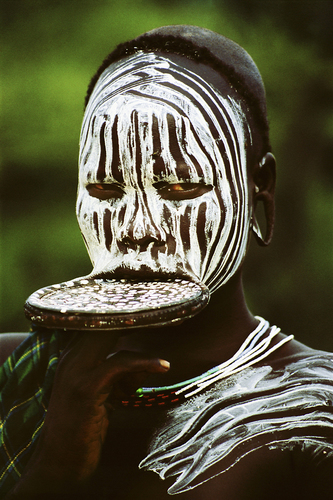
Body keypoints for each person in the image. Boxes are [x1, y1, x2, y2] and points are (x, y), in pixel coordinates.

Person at [1, 25, 333, 499]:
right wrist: (52, 472)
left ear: (261, 189)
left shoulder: (313, 414)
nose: (139, 228)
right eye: (105, 189)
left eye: (180, 189)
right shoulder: (14, 370)